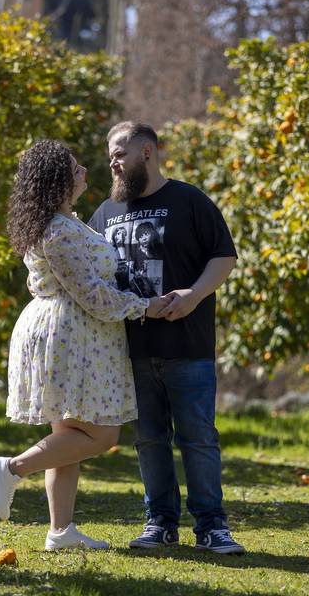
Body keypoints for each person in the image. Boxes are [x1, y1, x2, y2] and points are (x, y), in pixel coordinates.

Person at [0, 139, 170, 551]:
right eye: (75, 168)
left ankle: (61, 531)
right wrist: (146, 306)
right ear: (58, 179)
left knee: (69, 432)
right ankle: (13, 468)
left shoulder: (64, 223)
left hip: (74, 333)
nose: (85, 171)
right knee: (102, 434)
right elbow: (90, 294)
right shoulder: (57, 231)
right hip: (72, 334)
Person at [88, 122, 244, 555]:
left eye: (120, 152)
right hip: (132, 352)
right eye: (110, 155)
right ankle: (160, 523)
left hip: (187, 347)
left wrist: (195, 295)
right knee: (150, 439)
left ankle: (213, 527)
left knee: (197, 438)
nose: (113, 162)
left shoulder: (189, 200)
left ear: (148, 151)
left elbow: (223, 256)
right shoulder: (104, 214)